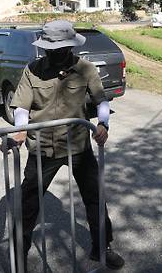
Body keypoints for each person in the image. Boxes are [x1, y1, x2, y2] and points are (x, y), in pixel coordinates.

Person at [8, 20, 124, 270]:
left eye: (61, 49)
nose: (56, 53)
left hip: (78, 144)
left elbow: (101, 100)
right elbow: (21, 107)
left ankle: (102, 248)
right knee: (28, 205)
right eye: (52, 49)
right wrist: (19, 130)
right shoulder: (33, 70)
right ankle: (19, 260)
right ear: (45, 48)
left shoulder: (86, 69)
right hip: (42, 148)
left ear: (70, 46)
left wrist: (103, 124)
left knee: (95, 198)